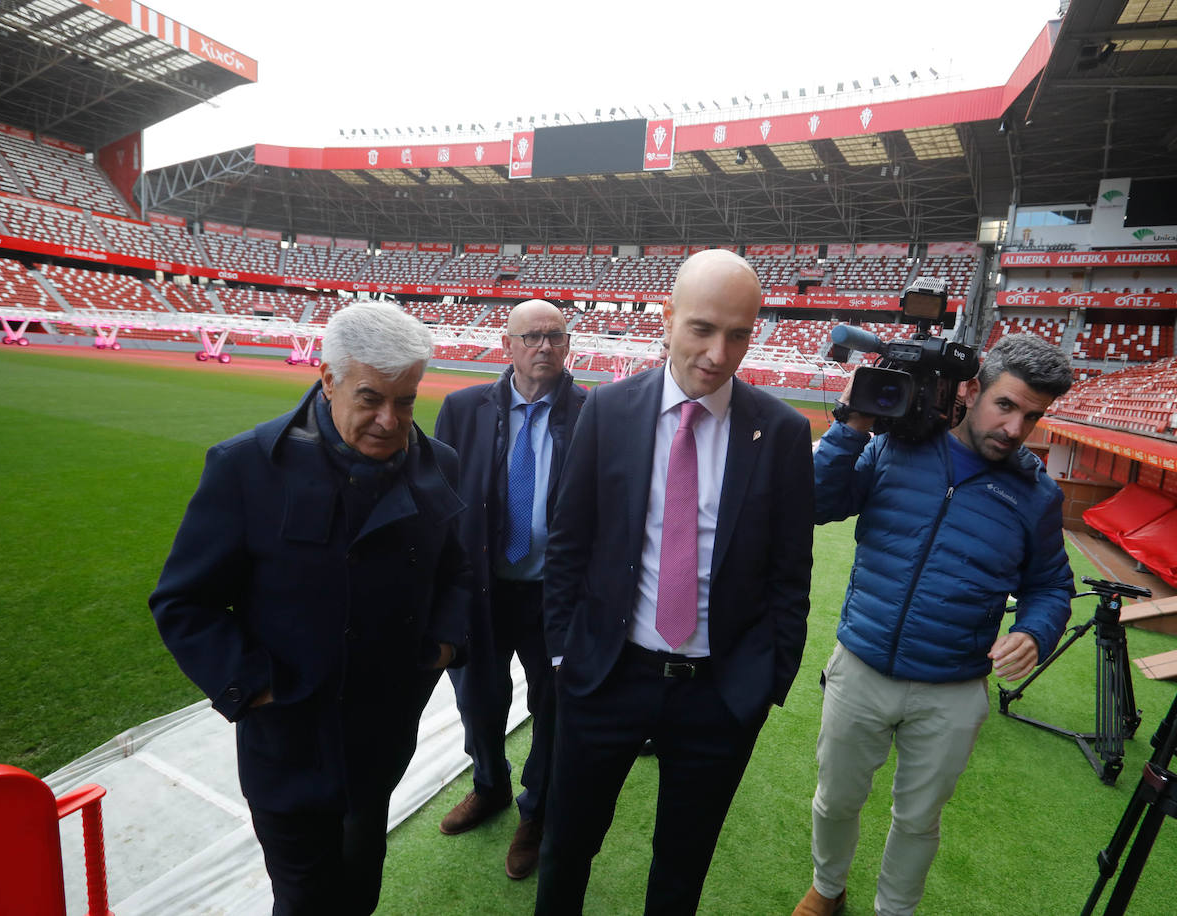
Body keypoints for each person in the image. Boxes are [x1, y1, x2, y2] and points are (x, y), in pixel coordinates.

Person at [149, 301, 469, 915]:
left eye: (406, 401)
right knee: (305, 899)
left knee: (360, 891)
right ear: (327, 379)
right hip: (289, 746)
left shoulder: (437, 463)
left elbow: (458, 570)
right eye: (371, 397)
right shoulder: (246, 466)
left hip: (381, 738)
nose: (389, 420)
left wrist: (442, 647)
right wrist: (259, 689)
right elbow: (183, 602)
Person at [536, 249, 815, 914]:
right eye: (702, 328)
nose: (719, 353)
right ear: (666, 320)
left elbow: (790, 574)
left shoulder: (780, 433)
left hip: (718, 693)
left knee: (682, 866)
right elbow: (569, 545)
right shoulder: (606, 413)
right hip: (606, 675)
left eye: (740, 334)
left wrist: (766, 680)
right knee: (568, 845)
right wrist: (561, 652)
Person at [792, 332, 1075, 916]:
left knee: (918, 820)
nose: (1016, 429)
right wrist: (852, 424)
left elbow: (1050, 586)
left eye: (1033, 416)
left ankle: (894, 911)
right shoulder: (894, 448)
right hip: (861, 665)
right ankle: (827, 889)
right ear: (972, 391)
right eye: (1006, 405)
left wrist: (1033, 632)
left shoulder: (1037, 494)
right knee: (834, 801)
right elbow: (814, 504)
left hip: (952, 688)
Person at [432, 299, 587, 880]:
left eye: (554, 336)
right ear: (508, 344)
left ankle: (536, 809)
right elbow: (442, 504)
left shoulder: (593, 414)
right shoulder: (462, 408)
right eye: (531, 337)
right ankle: (489, 784)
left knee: (551, 708)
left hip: (555, 595)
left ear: (567, 345)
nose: (543, 346)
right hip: (483, 592)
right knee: (478, 699)